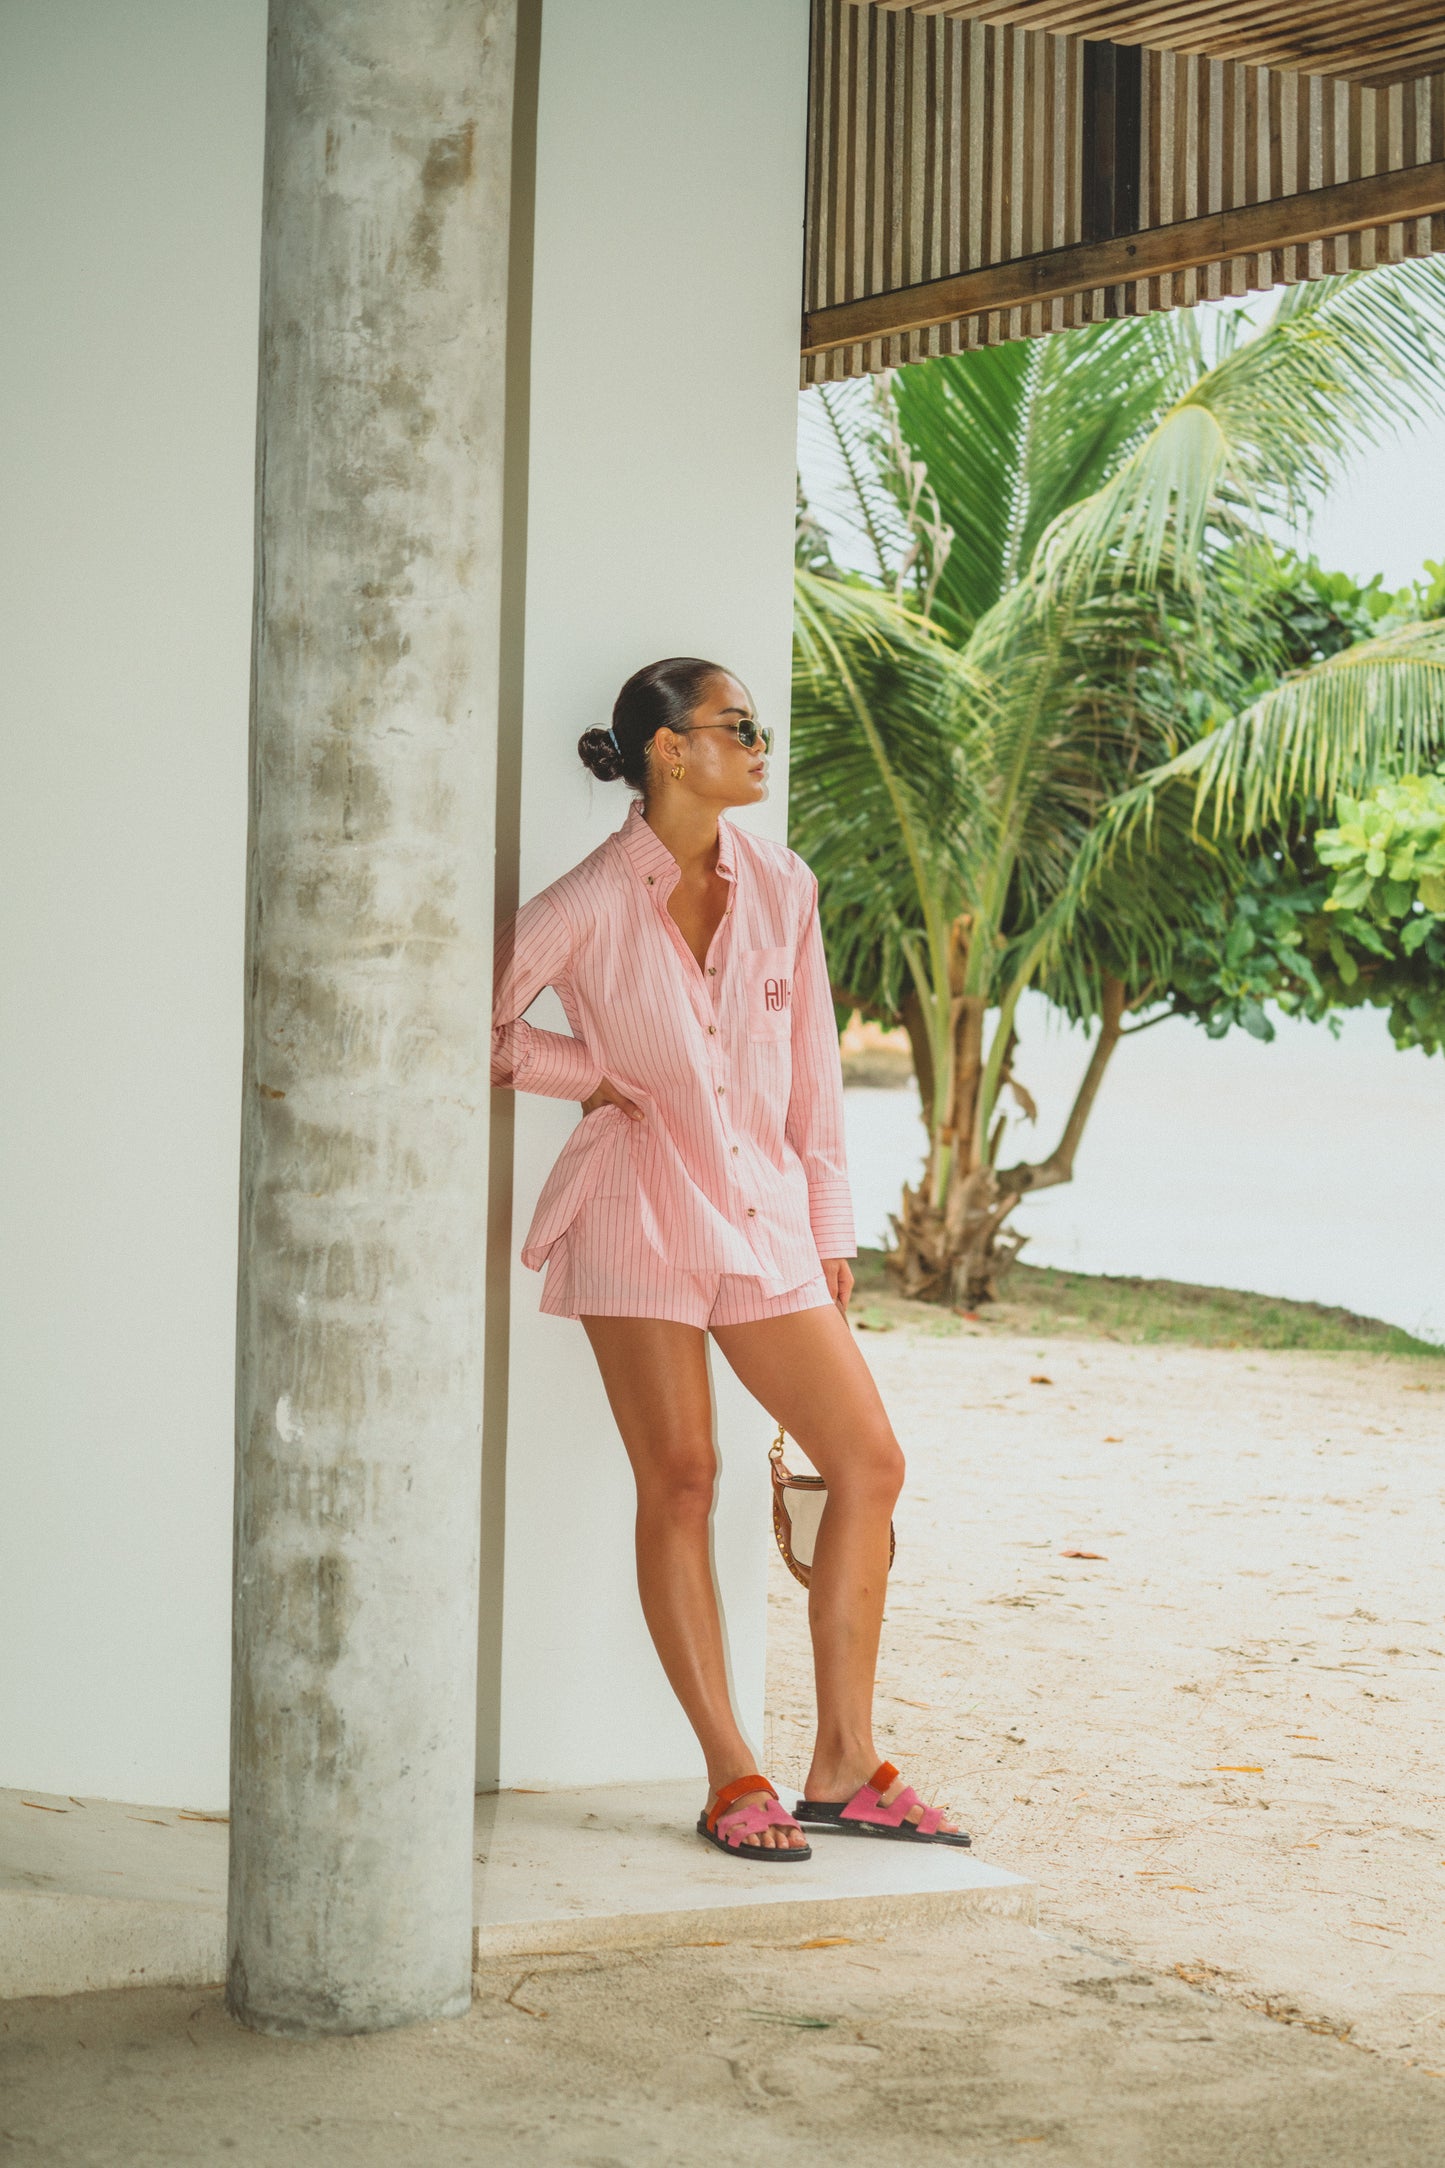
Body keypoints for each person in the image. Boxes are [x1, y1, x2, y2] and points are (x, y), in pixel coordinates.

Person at [491, 657, 967, 1860]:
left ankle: (845, 1762)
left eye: (759, 725)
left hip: (760, 1221)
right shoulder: (590, 896)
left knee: (865, 1461)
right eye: (736, 726)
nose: (761, 743)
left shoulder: (782, 884)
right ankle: (729, 1770)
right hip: (634, 1212)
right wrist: (587, 1075)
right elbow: (468, 1013)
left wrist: (826, 1233)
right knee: (686, 1478)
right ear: (667, 749)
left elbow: (811, 1075)